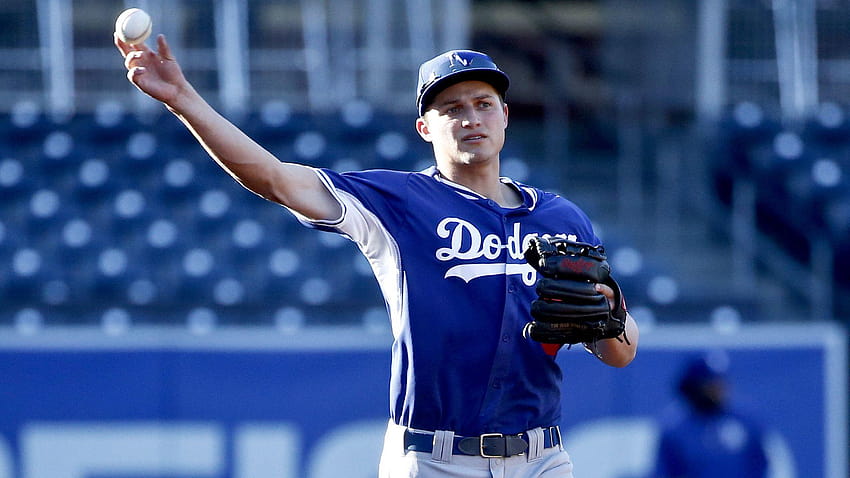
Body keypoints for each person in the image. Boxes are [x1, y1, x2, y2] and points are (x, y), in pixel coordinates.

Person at [116, 33, 639, 478]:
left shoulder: (560, 218)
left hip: (541, 458)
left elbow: (620, 351)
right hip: (434, 461)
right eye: (451, 109)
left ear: (504, 115)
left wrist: (611, 310)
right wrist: (183, 99)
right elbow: (274, 177)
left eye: (482, 104)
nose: (470, 118)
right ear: (425, 128)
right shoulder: (397, 203)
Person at [651, 353, 769, 478]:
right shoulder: (675, 429)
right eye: (711, 384)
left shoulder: (745, 421)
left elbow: (760, 465)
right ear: (695, 386)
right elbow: (664, 472)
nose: (718, 389)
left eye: (720, 382)